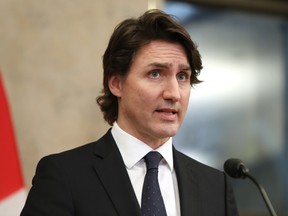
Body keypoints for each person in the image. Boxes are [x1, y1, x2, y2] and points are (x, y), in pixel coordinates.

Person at [21, 9, 239, 216]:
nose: (174, 93)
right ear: (116, 83)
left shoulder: (215, 186)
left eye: (182, 76)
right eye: (155, 74)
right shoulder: (64, 176)